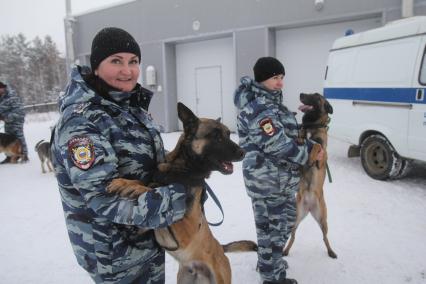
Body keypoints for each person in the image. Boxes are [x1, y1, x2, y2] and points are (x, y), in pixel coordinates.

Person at [50, 27, 188, 284]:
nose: (128, 70)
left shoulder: (130, 108)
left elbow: (147, 162)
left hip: (148, 238)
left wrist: (191, 165)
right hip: (114, 254)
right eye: (116, 61)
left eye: (133, 61)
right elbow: (104, 198)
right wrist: (181, 198)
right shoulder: (81, 122)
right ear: (96, 67)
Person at [233, 57, 323, 284]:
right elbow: (276, 143)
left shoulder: (272, 105)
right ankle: (272, 277)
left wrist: (310, 145)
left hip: (280, 180)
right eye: (275, 78)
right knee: (272, 231)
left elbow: (288, 137)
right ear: (262, 79)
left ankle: (268, 261)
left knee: (284, 223)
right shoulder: (257, 108)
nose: (280, 83)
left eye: (282, 77)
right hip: (266, 182)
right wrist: (307, 155)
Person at [0, 81, 29, 163]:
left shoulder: (11, 96)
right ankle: (10, 156)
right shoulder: (1, 96)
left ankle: (24, 155)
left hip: (16, 120)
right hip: (7, 121)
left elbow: (19, 111)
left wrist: (6, 117)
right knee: (8, 139)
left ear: (2, 88)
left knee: (18, 137)